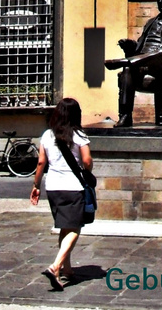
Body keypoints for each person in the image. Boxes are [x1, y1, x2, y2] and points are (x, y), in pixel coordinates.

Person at [30, 97, 92, 291]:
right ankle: (55, 266)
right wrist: (87, 171)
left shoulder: (47, 135)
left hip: (53, 186)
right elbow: (87, 160)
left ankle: (67, 269)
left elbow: (41, 162)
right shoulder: (79, 135)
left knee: (64, 227)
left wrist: (36, 185)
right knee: (74, 228)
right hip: (73, 186)